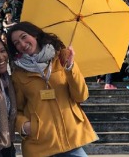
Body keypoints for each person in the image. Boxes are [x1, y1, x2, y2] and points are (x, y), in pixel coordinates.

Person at [7, 22, 97, 156]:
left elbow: (81, 96)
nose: (22, 44)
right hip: (39, 144)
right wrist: (24, 126)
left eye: (24, 37)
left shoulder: (62, 58)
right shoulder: (18, 74)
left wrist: (70, 67)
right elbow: (17, 109)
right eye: (16, 43)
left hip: (70, 139)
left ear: (35, 35)